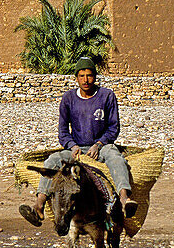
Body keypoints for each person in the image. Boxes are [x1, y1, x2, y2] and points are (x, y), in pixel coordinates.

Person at [19, 57, 137, 226]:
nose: (85, 80)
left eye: (89, 75)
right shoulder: (69, 98)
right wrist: (72, 146)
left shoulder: (106, 96)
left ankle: (125, 199)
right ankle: (39, 205)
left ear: (95, 77)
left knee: (117, 159)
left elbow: (113, 128)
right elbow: (63, 131)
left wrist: (99, 144)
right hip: (77, 148)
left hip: (102, 147)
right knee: (52, 161)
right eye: (81, 76)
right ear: (76, 78)